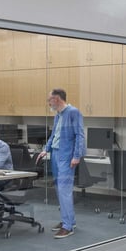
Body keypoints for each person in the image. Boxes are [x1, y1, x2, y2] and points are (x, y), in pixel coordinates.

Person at [37, 88, 85, 239]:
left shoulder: (73, 112)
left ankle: (67, 227)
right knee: (59, 189)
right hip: (55, 154)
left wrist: (76, 156)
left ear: (56, 99)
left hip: (66, 156)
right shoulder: (58, 115)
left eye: (49, 99)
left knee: (64, 190)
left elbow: (80, 135)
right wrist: (46, 149)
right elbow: (54, 135)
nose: (48, 102)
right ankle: (69, 220)